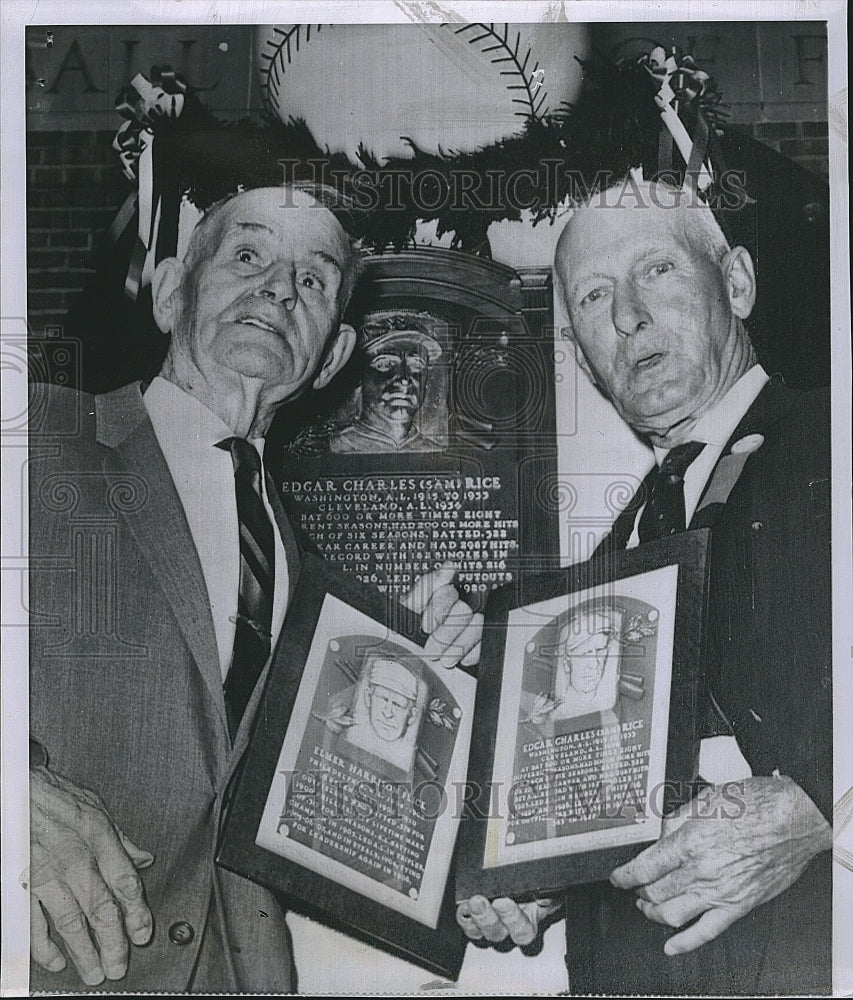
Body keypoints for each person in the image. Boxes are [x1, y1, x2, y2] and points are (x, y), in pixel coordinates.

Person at [28, 184, 483, 993]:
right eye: (247, 256)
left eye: (312, 279)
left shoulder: (308, 581)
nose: (279, 289)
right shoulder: (33, 434)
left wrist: (434, 671)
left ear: (333, 354)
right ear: (171, 294)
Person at [457, 177, 832, 995]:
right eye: (593, 296)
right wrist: (549, 869)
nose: (627, 315)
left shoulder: (834, 442)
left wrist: (821, 807)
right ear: (584, 356)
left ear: (734, 282)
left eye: (656, 270)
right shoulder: (622, 543)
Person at [328, 310, 444, 453]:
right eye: (385, 364)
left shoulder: (433, 451)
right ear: (358, 377)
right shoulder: (333, 448)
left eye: (416, 366)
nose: (404, 380)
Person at [342, 656, 425, 776]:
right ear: (368, 697)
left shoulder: (405, 759)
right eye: (383, 699)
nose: (387, 713)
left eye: (397, 704)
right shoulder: (352, 736)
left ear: (412, 715)